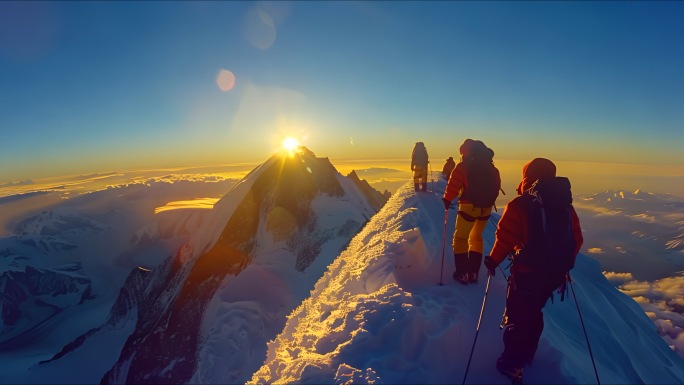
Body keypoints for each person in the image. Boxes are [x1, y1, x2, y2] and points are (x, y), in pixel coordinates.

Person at [483, 158, 583, 383]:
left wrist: (493, 261)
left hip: (527, 274)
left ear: (527, 175)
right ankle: (528, 354)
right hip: (553, 276)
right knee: (533, 312)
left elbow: (505, 239)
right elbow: (577, 239)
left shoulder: (520, 204)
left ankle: (512, 364)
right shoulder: (565, 206)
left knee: (518, 316)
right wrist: (563, 264)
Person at [441, 139, 501, 284]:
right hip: (485, 209)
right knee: (476, 238)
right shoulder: (492, 168)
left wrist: (447, 199)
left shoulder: (463, 167)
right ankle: (473, 273)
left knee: (461, 238)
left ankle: (462, 273)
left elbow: (454, 185)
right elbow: (497, 187)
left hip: (469, 207)